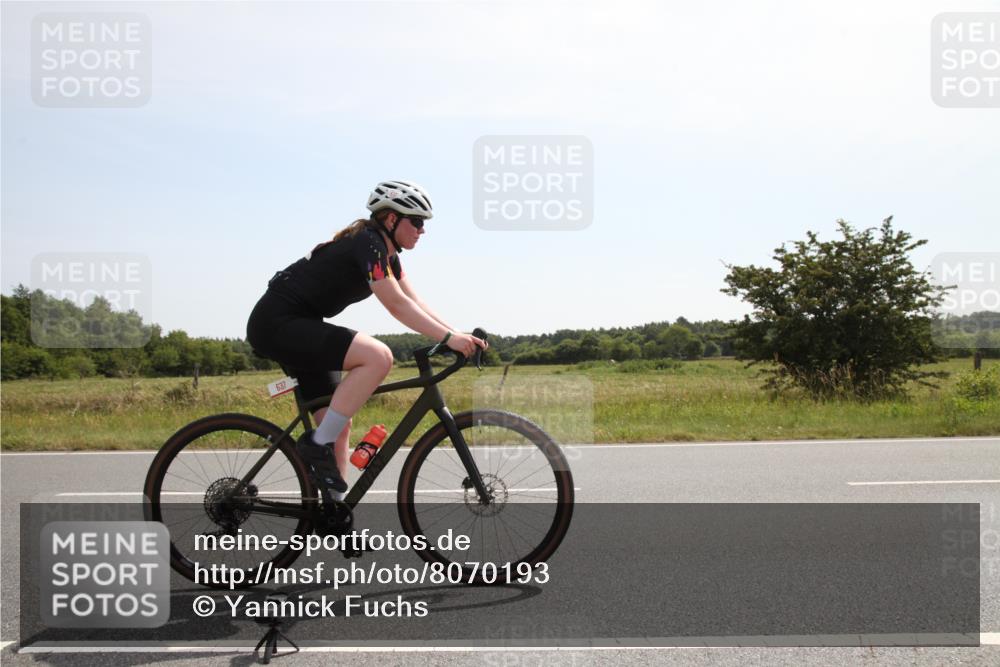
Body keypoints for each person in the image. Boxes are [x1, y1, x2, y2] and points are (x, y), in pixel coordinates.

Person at [246, 180, 487, 507]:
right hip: (277, 323)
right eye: (416, 221)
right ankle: (316, 445)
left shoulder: (388, 256)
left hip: (300, 324)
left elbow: (413, 301)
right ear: (391, 219)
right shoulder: (368, 243)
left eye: (424, 223)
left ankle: (335, 511)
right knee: (378, 357)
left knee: (338, 424)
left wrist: (456, 335)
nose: (422, 230)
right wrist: (449, 339)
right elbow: (395, 305)